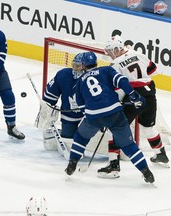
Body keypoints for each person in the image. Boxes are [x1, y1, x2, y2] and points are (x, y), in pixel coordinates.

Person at [65, 51, 155, 184]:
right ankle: (146, 172)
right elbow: (122, 81)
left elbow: (81, 104)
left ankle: (72, 163)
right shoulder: (106, 70)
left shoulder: (80, 82)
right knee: (129, 145)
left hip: (93, 117)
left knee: (81, 137)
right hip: (114, 114)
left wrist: (95, 121)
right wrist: (133, 95)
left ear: (84, 65)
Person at [97, 35, 169, 178]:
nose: (110, 54)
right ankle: (160, 154)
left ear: (117, 49)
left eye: (111, 51)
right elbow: (153, 69)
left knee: (115, 128)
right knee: (148, 127)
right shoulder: (138, 53)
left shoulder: (116, 64)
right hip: (149, 93)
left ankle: (113, 165)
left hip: (134, 95)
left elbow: (118, 89)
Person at [40, 53, 84, 154]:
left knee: (90, 143)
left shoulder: (94, 78)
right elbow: (49, 95)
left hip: (89, 119)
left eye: (78, 66)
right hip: (69, 117)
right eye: (74, 65)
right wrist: (48, 109)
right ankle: (61, 133)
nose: (75, 69)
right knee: (70, 145)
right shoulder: (64, 75)